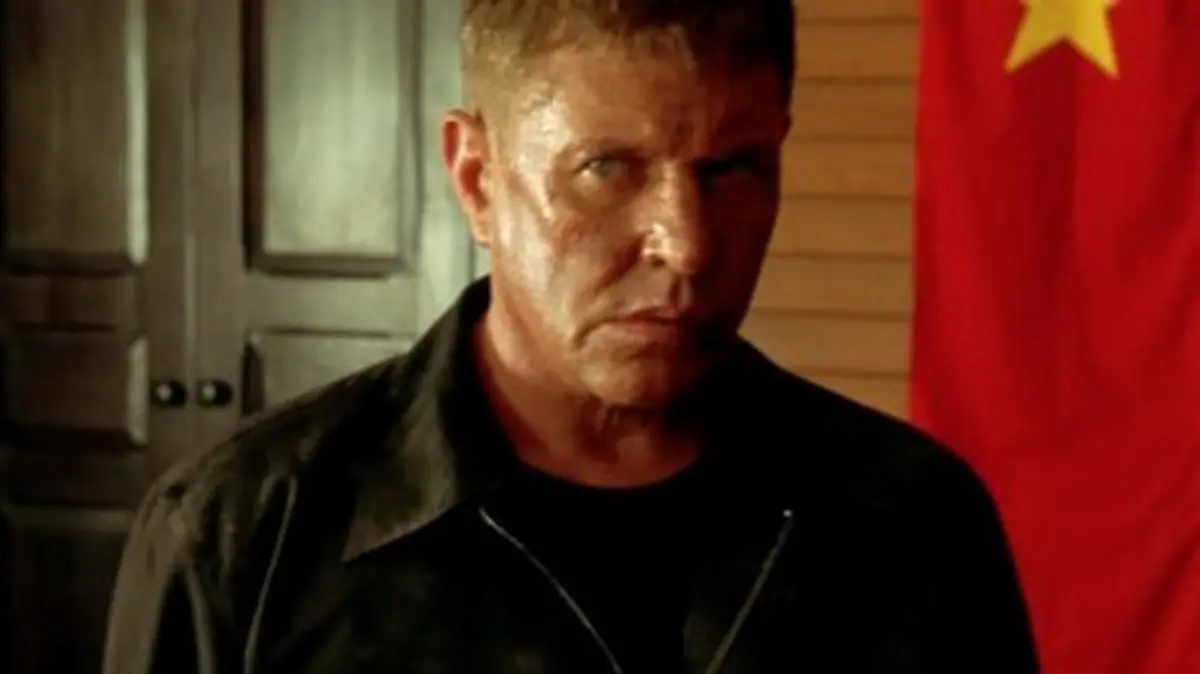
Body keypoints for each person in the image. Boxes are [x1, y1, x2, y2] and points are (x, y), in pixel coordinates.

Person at [102, 1, 1040, 672]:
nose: (687, 244)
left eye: (733, 169)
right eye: (607, 168)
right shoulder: (239, 538)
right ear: (477, 179)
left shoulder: (915, 520)